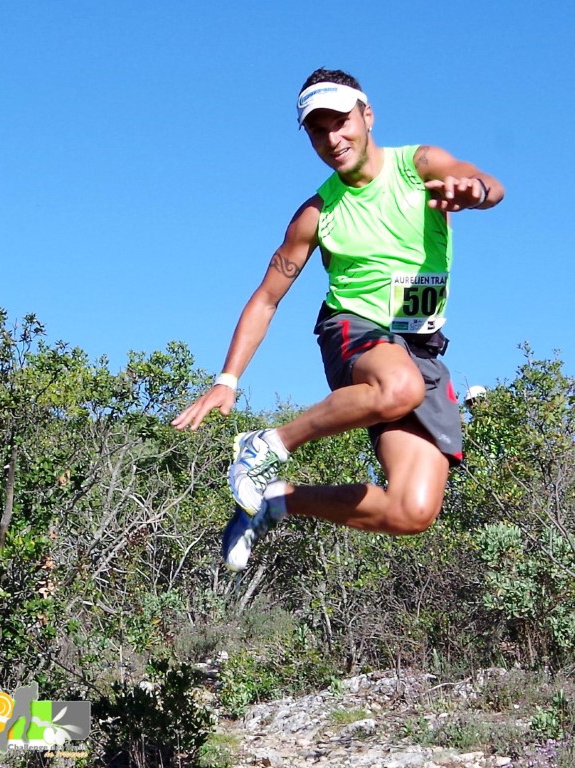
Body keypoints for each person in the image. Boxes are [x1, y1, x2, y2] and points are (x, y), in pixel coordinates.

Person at [171, 68, 503, 570]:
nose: (332, 138)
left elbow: (487, 182)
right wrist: (227, 379)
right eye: (317, 129)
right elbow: (266, 297)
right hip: (354, 327)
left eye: (341, 122)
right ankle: (265, 446)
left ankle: (276, 501)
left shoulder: (417, 165)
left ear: (367, 115)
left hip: (421, 347)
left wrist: (473, 191)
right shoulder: (317, 213)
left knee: (411, 511)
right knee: (399, 388)